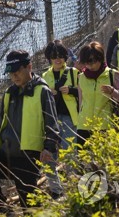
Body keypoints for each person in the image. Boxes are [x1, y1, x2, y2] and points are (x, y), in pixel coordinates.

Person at [0, 50, 59, 211]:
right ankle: (4, 211)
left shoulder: (42, 91)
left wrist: (49, 147)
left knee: (28, 204)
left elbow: (52, 123)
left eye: (17, 72)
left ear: (29, 67)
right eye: (11, 73)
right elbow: (3, 124)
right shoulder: (9, 93)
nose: (14, 76)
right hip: (7, 151)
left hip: (28, 155)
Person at [41, 40, 79, 198]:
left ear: (65, 57)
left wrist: (71, 90)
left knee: (70, 152)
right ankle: (56, 190)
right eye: (54, 56)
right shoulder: (45, 76)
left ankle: (74, 186)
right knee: (49, 155)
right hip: (52, 119)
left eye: (61, 56)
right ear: (49, 58)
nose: (58, 59)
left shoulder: (73, 73)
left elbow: (82, 92)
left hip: (70, 117)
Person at [77, 42, 119, 145]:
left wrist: (113, 91)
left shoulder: (112, 74)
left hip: (105, 126)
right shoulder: (81, 77)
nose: (89, 65)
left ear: (100, 58)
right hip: (83, 126)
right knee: (83, 160)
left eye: (92, 61)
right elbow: (81, 102)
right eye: (86, 62)